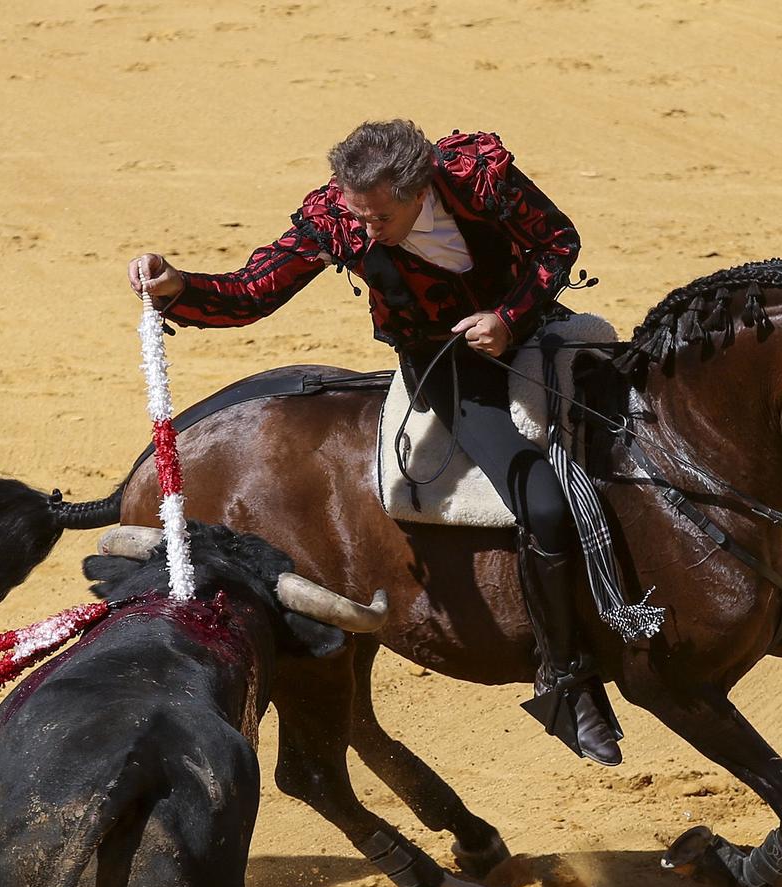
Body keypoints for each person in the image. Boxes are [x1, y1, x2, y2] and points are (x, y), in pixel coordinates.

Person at [127, 118, 621, 765]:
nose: (360, 232)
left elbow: (557, 241)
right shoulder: (338, 216)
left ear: (420, 191)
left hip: (533, 333)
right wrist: (180, 286)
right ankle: (565, 680)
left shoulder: (478, 178)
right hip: (449, 369)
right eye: (355, 215)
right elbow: (255, 289)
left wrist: (508, 317)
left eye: (377, 218)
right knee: (547, 505)